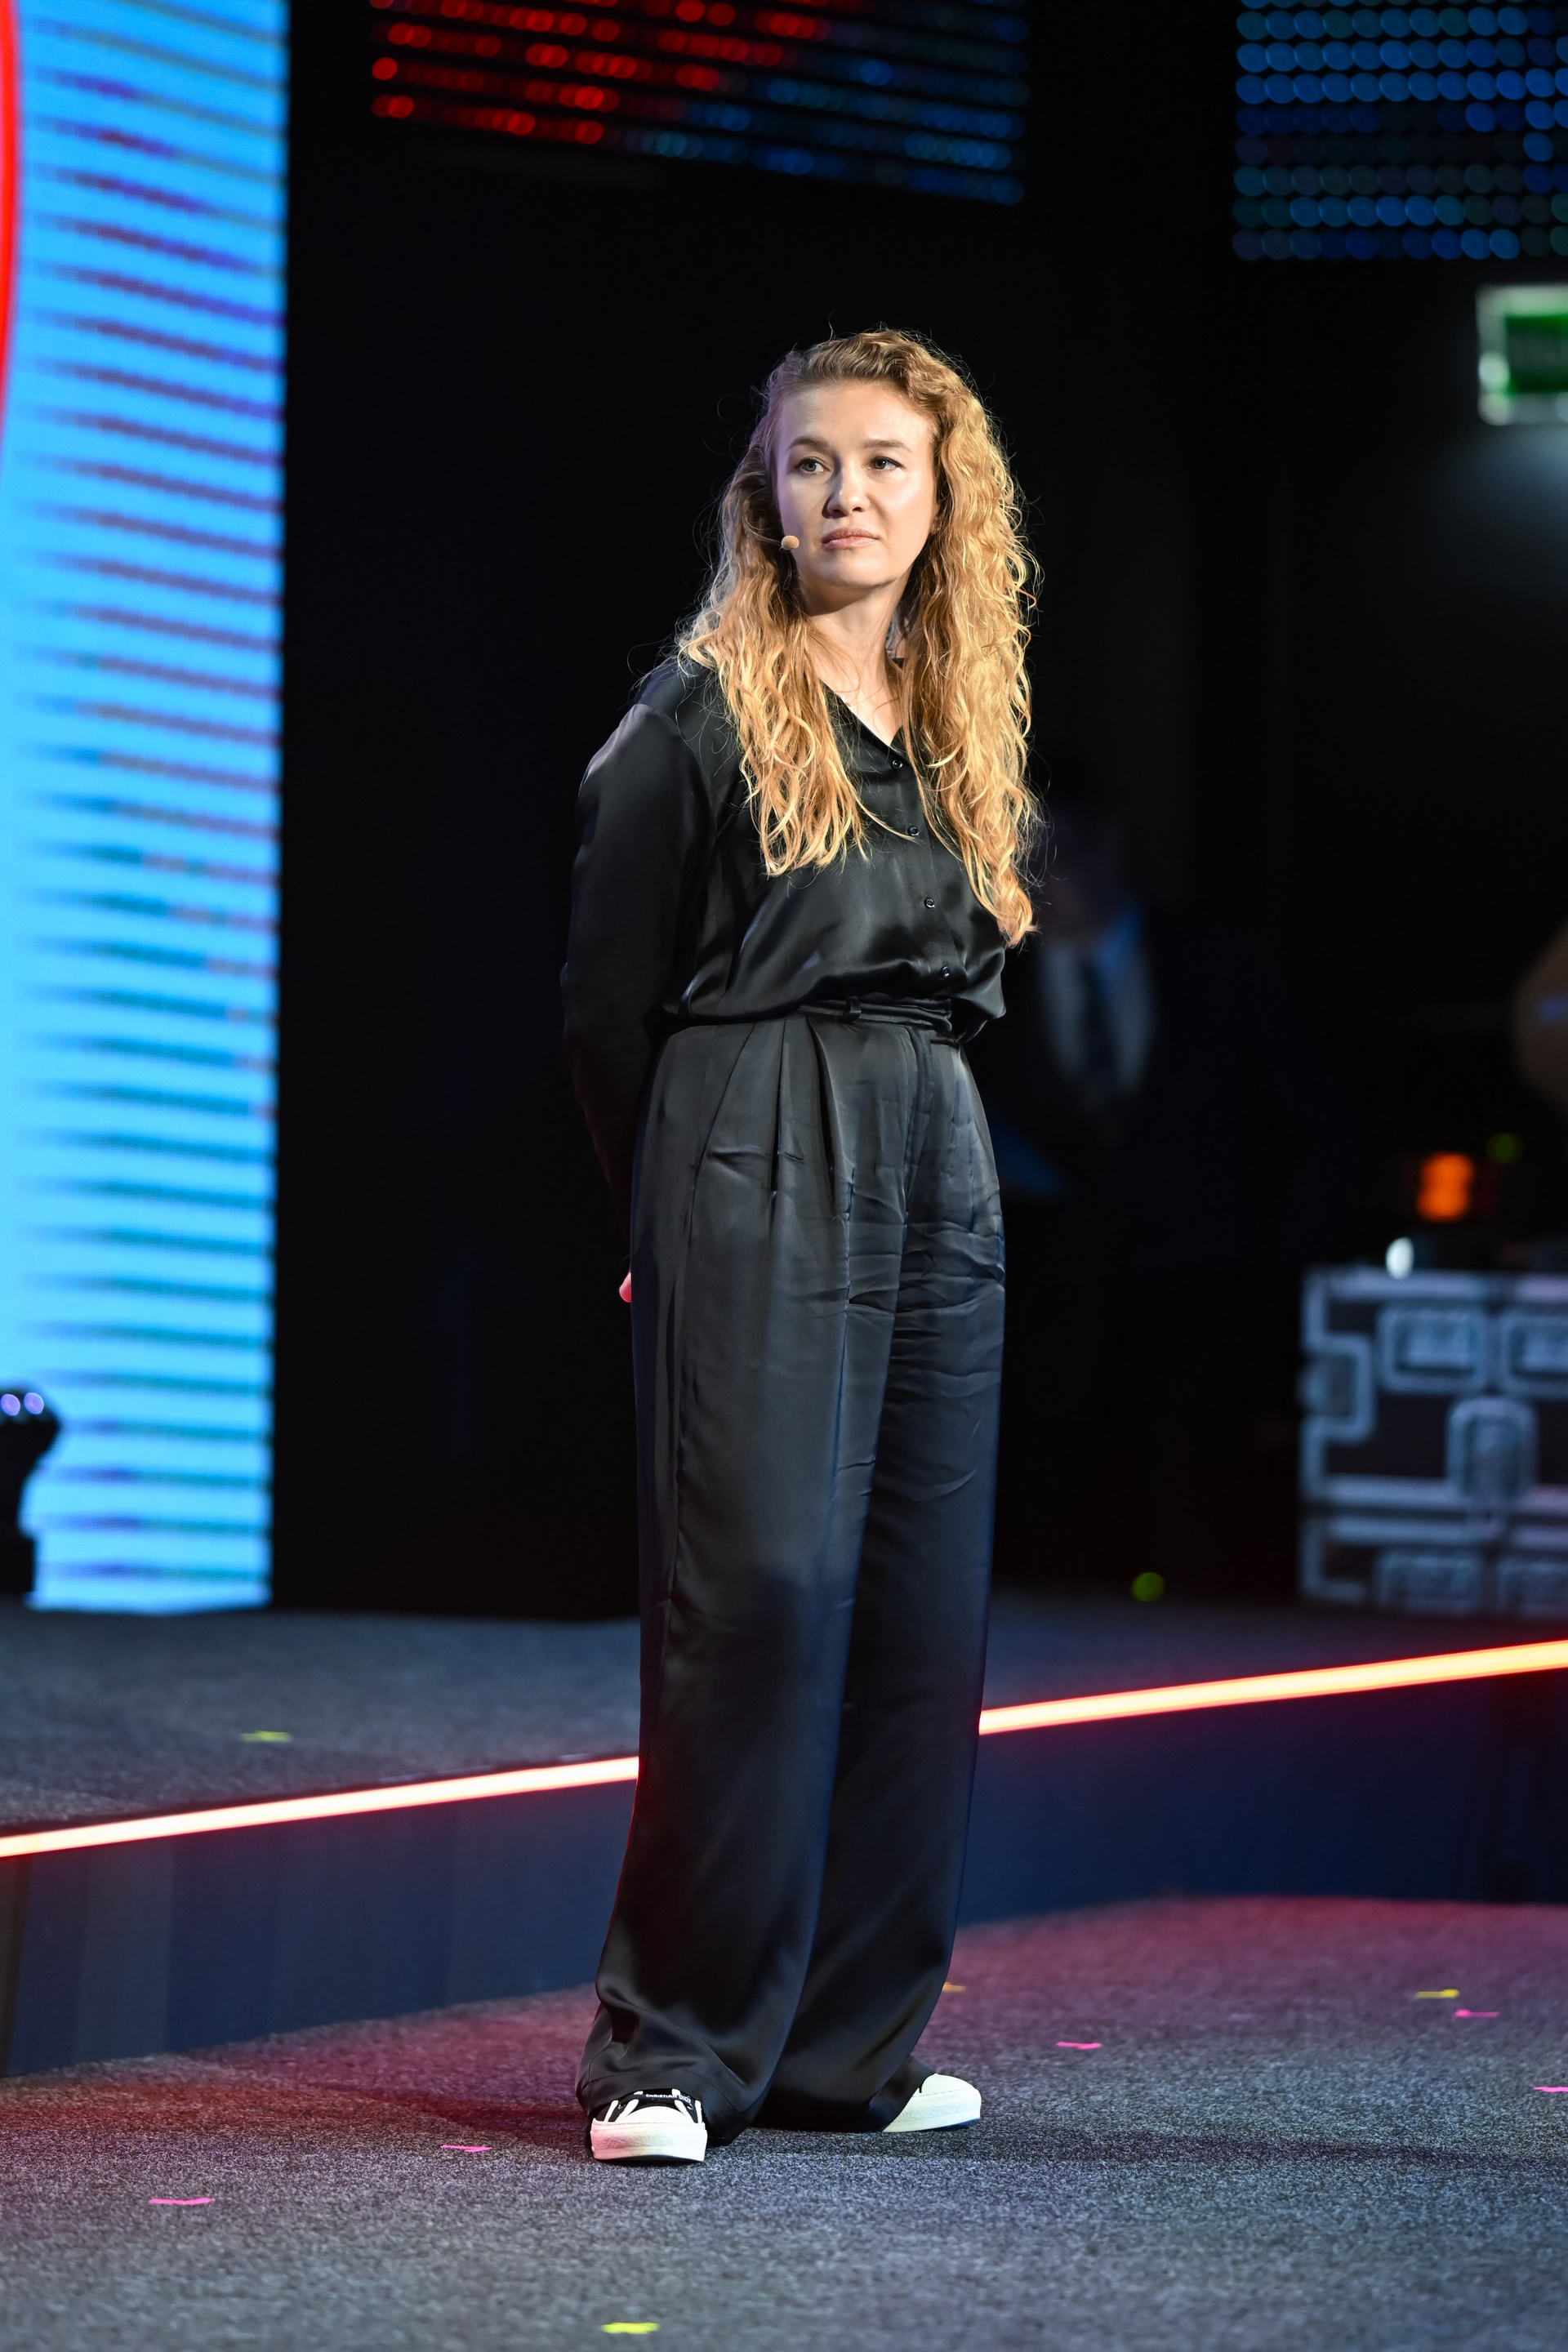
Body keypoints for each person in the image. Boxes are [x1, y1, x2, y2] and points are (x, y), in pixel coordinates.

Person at [561, 329, 1036, 2163]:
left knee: (918, 1612)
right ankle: (670, 2055)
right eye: (812, 461)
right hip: (754, 1135)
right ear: (764, 491)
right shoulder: (697, 715)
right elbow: (606, 1004)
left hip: (934, 1144)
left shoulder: (956, 713)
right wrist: (662, 1213)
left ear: (942, 496)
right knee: (758, 1596)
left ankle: (848, 2048)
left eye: (882, 464)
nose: (845, 494)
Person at [970, 767, 1358, 1593]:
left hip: (1202, 1308)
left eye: (1050, 854)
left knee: (1200, 1543)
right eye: (1013, 860)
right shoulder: (985, 979)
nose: (1034, 882)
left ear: (1107, 846)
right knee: (1057, 1560)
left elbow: (1315, 1130)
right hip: (1047, 1325)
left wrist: (1273, 1281)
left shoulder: (1218, 964)